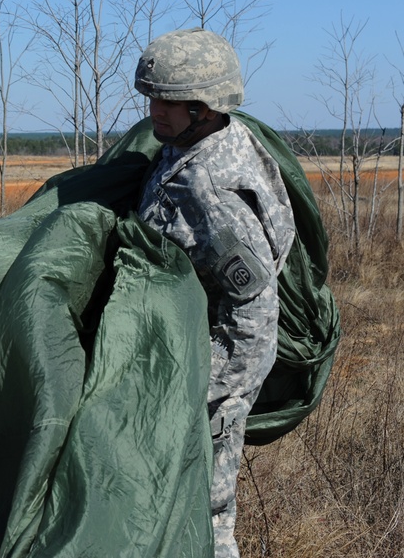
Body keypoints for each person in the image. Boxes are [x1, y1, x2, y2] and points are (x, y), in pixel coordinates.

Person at [134, 28, 296, 557]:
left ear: (204, 107)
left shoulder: (213, 196)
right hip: (171, 370)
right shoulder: (187, 145)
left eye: (169, 100)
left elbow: (254, 325)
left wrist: (195, 392)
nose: (155, 110)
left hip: (202, 392)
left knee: (201, 524)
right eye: (152, 97)